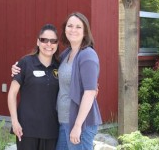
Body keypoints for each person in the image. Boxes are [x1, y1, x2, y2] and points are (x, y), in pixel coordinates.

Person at [12, 12, 102, 150]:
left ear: (85, 32)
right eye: (70, 25)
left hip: (79, 124)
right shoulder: (66, 54)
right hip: (63, 122)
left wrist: (77, 126)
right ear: (65, 29)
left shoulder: (87, 55)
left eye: (78, 27)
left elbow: (90, 92)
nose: (73, 29)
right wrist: (18, 68)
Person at [8, 24, 60, 150]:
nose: (48, 44)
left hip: (51, 130)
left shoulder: (60, 66)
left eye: (53, 41)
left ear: (57, 44)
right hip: (27, 129)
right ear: (38, 42)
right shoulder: (25, 63)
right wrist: (15, 122)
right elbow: (12, 94)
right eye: (44, 40)